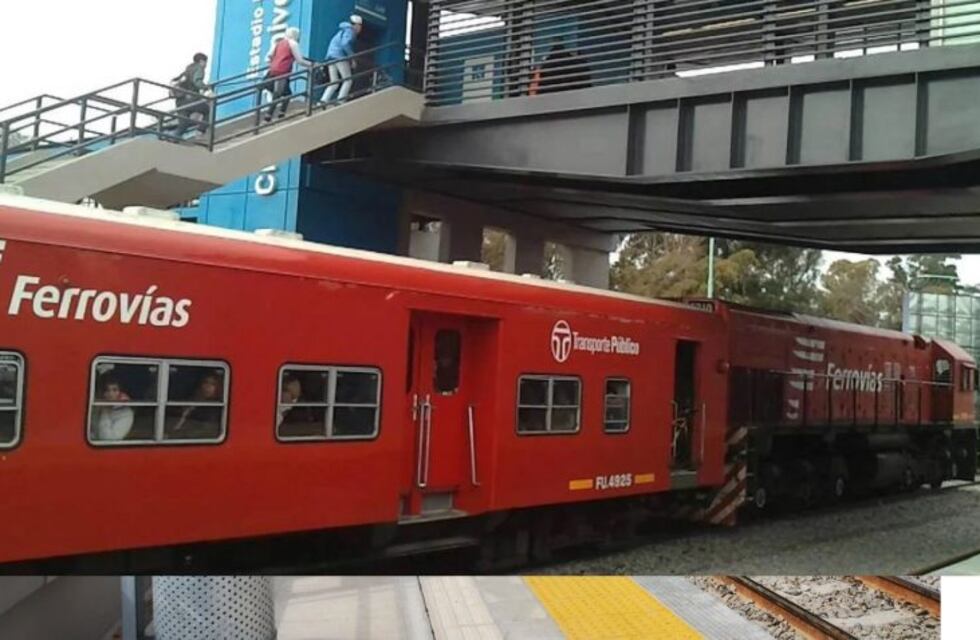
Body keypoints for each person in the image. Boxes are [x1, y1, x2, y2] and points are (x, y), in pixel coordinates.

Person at [263, 27, 313, 122]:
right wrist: (312, 64)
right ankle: (269, 114)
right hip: (283, 71)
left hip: (273, 70)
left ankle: (281, 113)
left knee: (287, 93)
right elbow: (299, 60)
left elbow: (269, 56)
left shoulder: (279, 43)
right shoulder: (293, 44)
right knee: (278, 93)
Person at [321, 15, 364, 106]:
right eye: (360, 26)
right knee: (348, 79)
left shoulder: (342, 30)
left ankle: (323, 100)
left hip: (331, 57)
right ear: (356, 25)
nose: (360, 28)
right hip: (339, 57)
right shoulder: (350, 31)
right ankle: (340, 101)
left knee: (334, 82)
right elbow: (345, 44)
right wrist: (352, 57)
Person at [169, 372, 224, 439]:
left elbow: (203, 431)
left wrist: (174, 435)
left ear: (218, 388)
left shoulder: (215, 408)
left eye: (213, 384)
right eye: (206, 382)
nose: (208, 386)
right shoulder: (190, 400)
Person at [172, 53, 211, 136]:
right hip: (191, 99)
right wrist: (206, 88)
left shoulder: (188, 68)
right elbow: (197, 81)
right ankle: (200, 131)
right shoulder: (199, 68)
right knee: (208, 111)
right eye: (205, 62)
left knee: (183, 124)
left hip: (180, 100)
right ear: (201, 61)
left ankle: (173, 137)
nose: (206, 65)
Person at [93, 376, 134, 441]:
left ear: (121, 393)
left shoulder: (127, 413)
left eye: (114, 390)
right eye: (107, 390)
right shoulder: (98, 407)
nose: (110, 393)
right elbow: (92, 432)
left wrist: (105, 411)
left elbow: (108, 439)